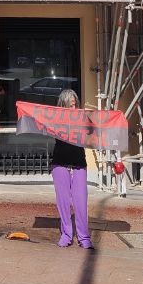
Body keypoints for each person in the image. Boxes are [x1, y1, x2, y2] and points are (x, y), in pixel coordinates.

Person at [50, 89, 92, 249]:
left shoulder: (83, 119)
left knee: (81, 202)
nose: (72, 109)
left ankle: (84, 237)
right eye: (69, 106)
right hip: (60, 163)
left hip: (79, 163)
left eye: (74, 105)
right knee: (63, 202)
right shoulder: (55, 120)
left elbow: (94, 132)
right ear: (62, 106)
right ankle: (66, 235)